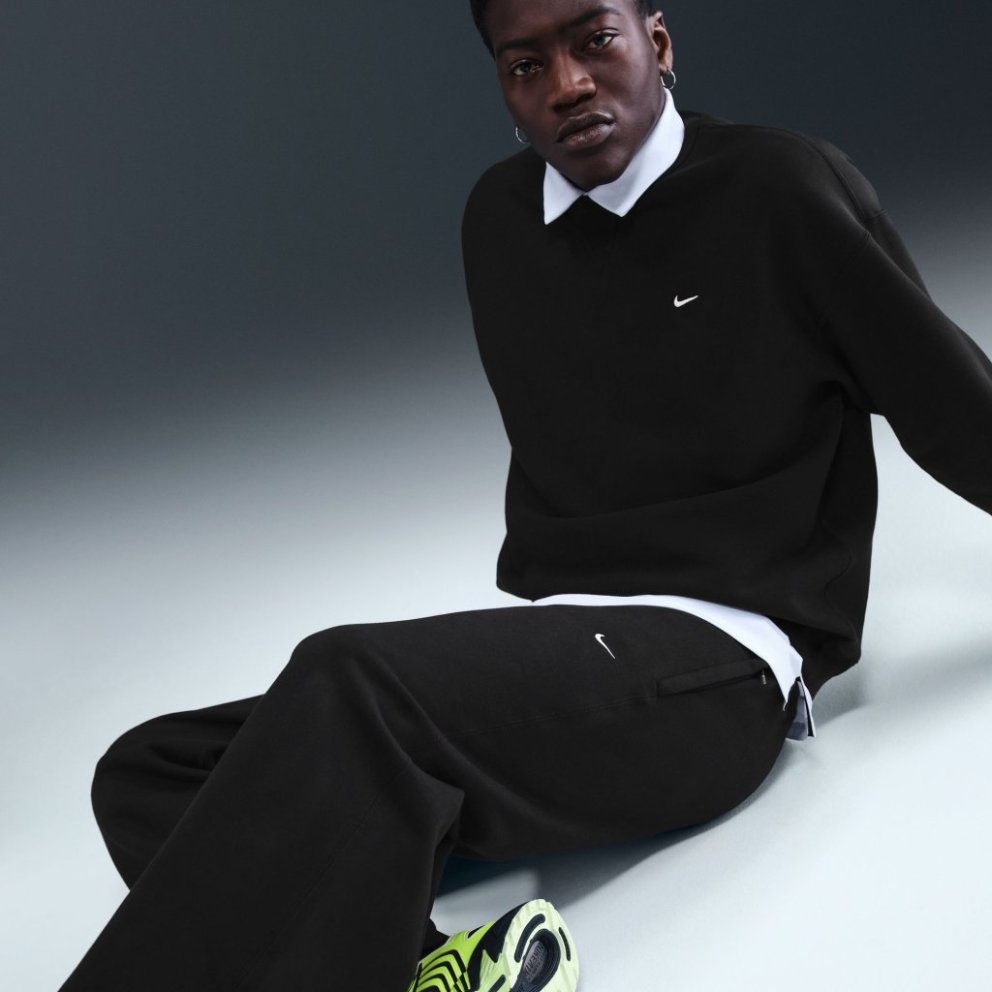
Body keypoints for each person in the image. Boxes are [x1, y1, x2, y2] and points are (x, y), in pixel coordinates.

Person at [57, 1, 992, 990]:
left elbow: (950, 405)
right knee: (154, 771)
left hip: (721, 662)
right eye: (524, 65)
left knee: (350, 680)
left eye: (595, 42)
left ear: (657, 43)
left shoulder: (778, 187)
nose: (567, 84)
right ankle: (429, 971)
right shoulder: (499, 220)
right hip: (571, 657)